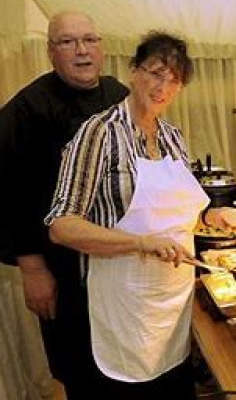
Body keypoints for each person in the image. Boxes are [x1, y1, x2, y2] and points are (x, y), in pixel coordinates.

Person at [44, 31, 207, 399]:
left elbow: (176, 216)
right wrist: (141, 243)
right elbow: (62, 225)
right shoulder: (98, 132)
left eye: (174, 80)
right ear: (133, 71)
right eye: (155, 72)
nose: (163, 86)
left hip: (168, 306)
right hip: (119, 306)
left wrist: (215, 220)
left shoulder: (172, 137)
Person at [0, 11, 129, 399]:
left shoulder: (118, 95)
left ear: (102, 48)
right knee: (81, 372)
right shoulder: (24, 110)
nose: (82, 51)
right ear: (50, 52)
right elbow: (7, 192)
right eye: (68, 42)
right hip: (61, 267)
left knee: (125, 363)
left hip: (118, 260)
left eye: (89, 40)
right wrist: (33, 267)